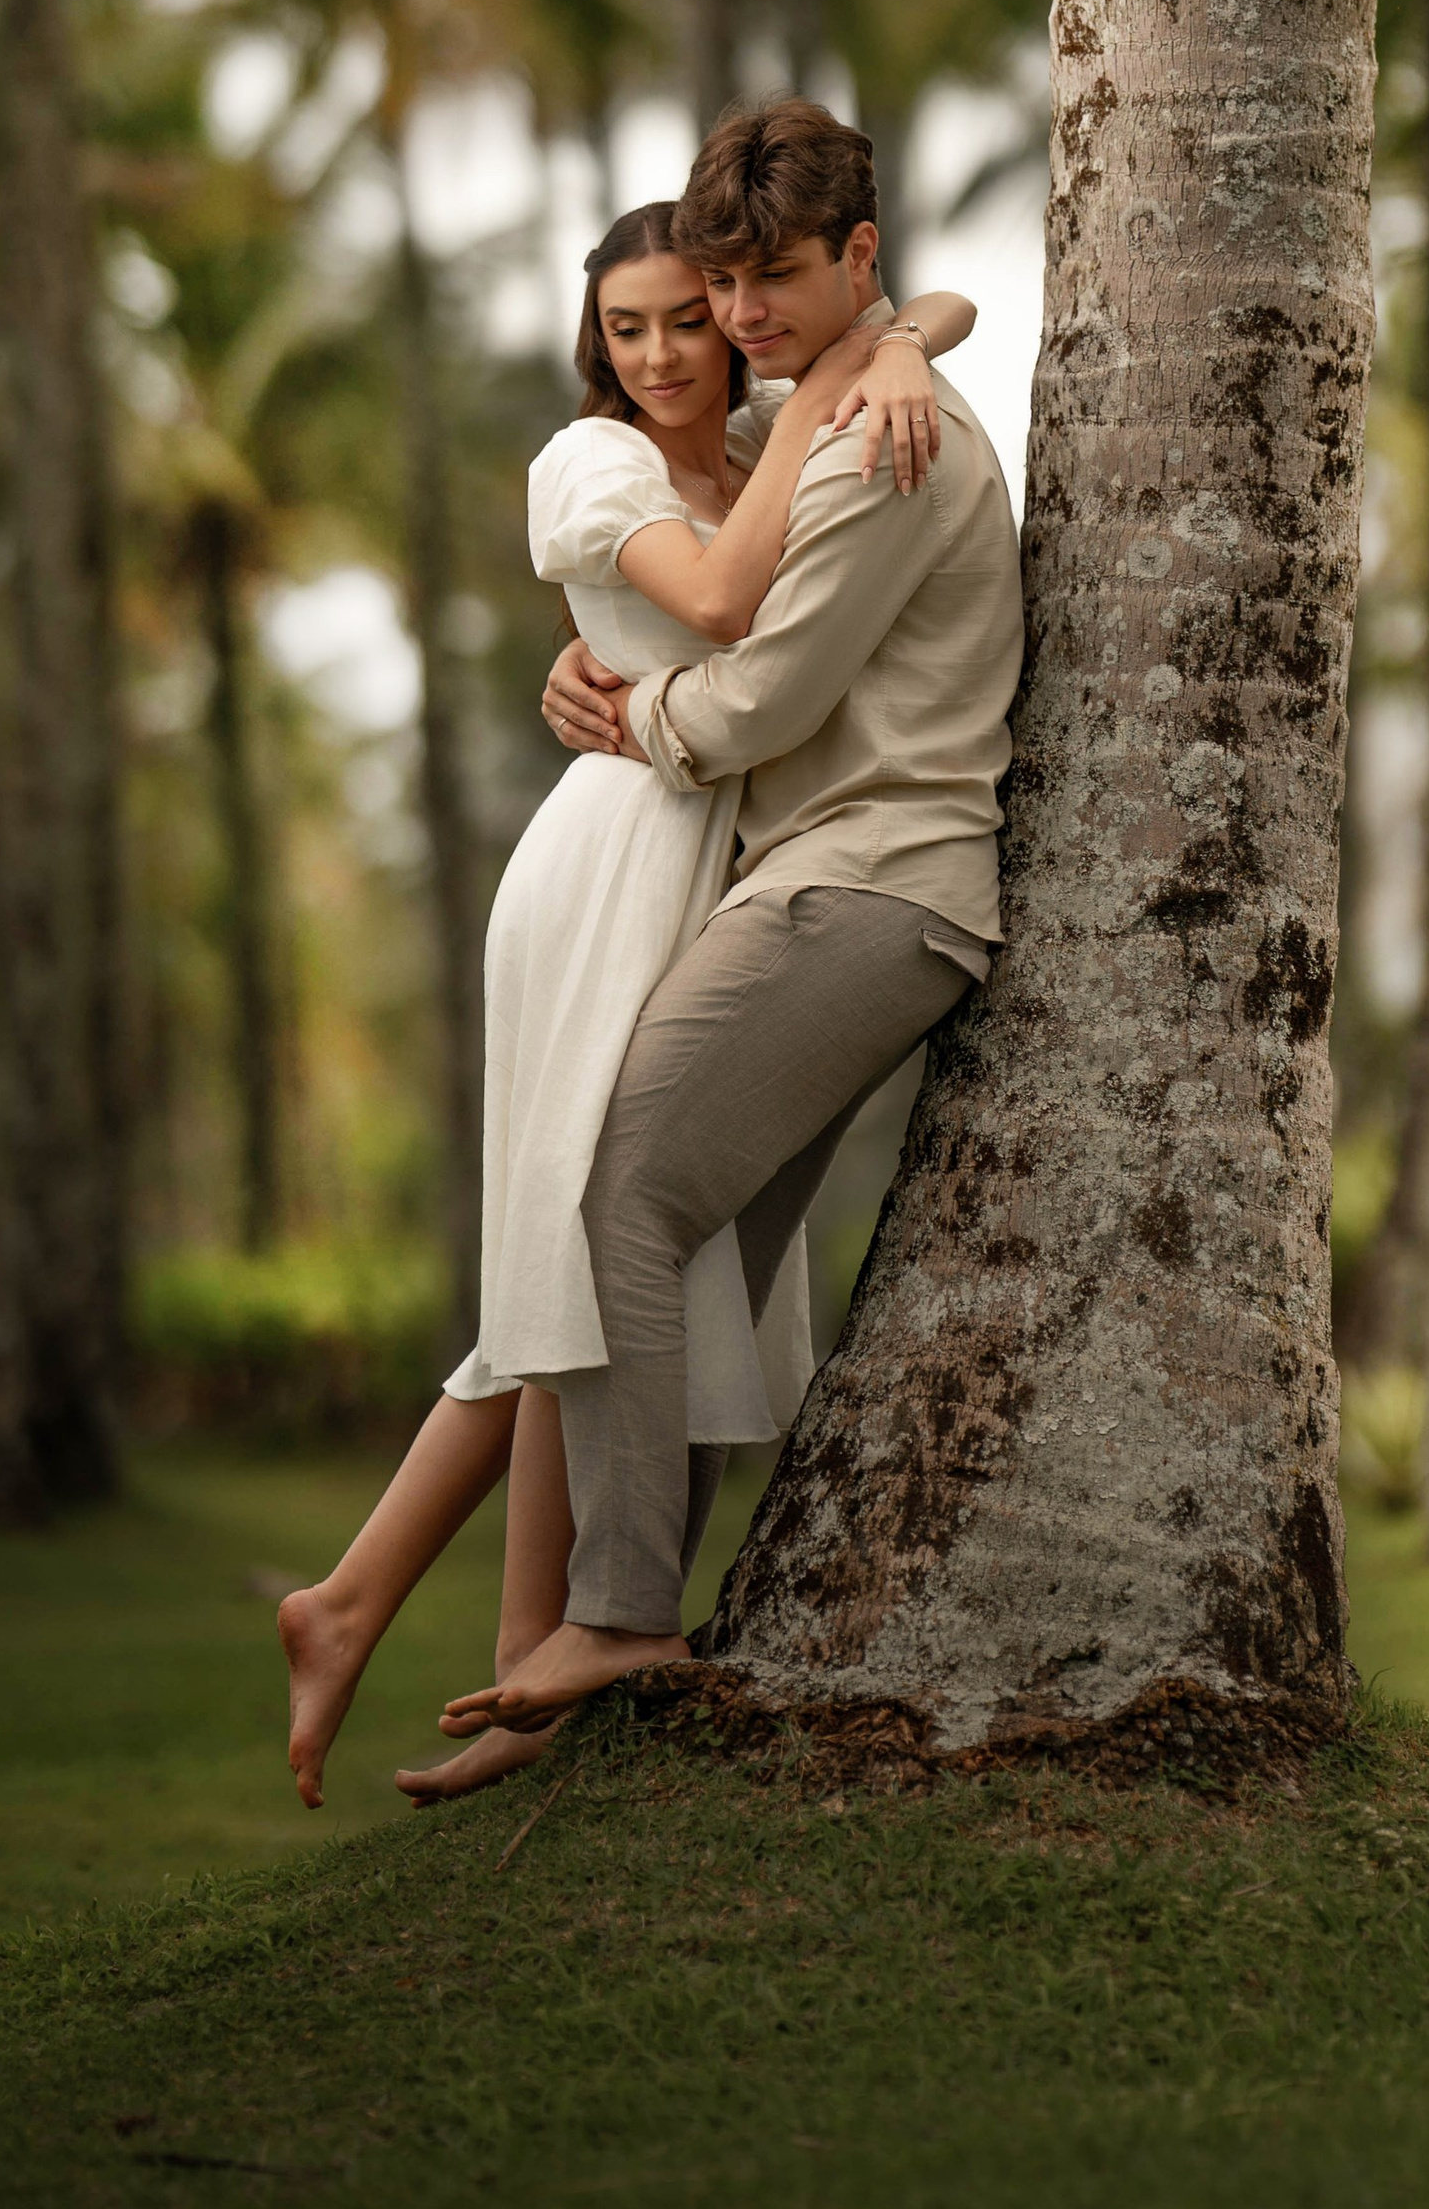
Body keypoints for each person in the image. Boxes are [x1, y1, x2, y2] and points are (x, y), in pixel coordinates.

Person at [277, 191, 976, 1809]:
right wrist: (854, 374)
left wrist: (905, 346)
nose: (663, 352)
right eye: (628, 326)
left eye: (688, 316)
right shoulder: (594, 465)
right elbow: (727, 606)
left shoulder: (760, 447)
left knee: (589, 1256)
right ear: (592, 343)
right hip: (615, 857)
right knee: (577, 1244)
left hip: (716, 852)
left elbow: (927, 318)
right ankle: (473, 1623)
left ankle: (417, 1618)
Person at [438, 96, 1023, 1748]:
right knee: (683, 1248)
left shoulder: (880, 449)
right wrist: (896, 338)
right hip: (832, 881)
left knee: (617, 1182)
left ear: (856, 257)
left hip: (867, 885)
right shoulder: (826, 417)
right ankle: (610, 1654)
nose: (745, 320)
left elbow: (756, 697)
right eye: (725, 285)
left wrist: (623, 710)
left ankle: (617, 1617)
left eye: (774, 284)